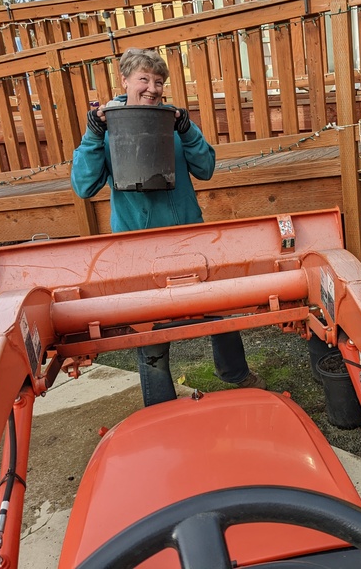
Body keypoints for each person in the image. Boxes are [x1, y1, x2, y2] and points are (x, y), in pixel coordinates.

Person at [71, 47, 266, 406]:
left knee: (219, 305)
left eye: (158, 81)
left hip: (189, 235)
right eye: (144, 79)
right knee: (149, 325)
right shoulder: (108, 125)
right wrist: (94, 135)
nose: (152, 88)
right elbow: (84, 186)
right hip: (139, 244)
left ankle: (234, 372)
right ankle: (159, 400)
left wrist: (187, 129)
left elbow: (206, 168)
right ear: (125, 80)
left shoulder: (171, 123)